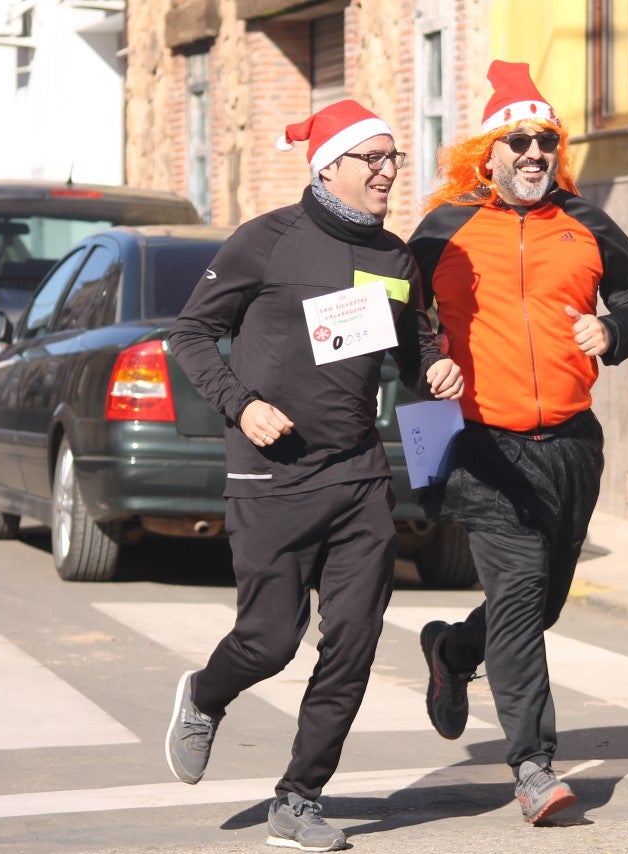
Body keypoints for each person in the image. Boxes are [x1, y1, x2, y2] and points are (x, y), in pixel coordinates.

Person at [166, 99, 463, 853]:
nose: (391, 171)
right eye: (376, 158)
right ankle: (204, 695)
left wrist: (435, 367)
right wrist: (244, 405)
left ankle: (298, 797)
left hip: (359, 477)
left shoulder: (396, 259)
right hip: (271, 477)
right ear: (330, 163)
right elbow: (192, 332)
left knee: (355, 641)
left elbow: (411, 348)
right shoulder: (265, 243)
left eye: (395, 158)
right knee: (269, 642)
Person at [408, 60, 628, 825]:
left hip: (570, 445)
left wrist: (613, 328)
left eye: (546, 141)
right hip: (485, 446)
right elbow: (402, 313)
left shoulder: (585, 222)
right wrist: (431, 360)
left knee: (541, 601)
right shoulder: (444, 230)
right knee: (520, 595)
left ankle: (454, 652)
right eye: (518, 140)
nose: (533, 154)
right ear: (486, 152)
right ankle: (532, 765)